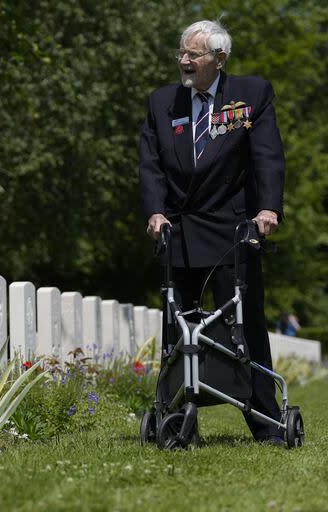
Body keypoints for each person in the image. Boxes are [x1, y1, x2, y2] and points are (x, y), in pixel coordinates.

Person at [139, 20, 285, 444]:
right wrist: (155, 213)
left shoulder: (251, 95)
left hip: (233, 231)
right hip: (179, 231)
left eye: (194, 55)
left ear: (219, 60)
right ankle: (176, 424)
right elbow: (151, 165)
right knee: (176, 331)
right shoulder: (162, 102)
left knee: (246, 330)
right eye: (181, 53)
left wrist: (268, 208)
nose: (184, 61)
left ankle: (267, 425)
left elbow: (267, 156)